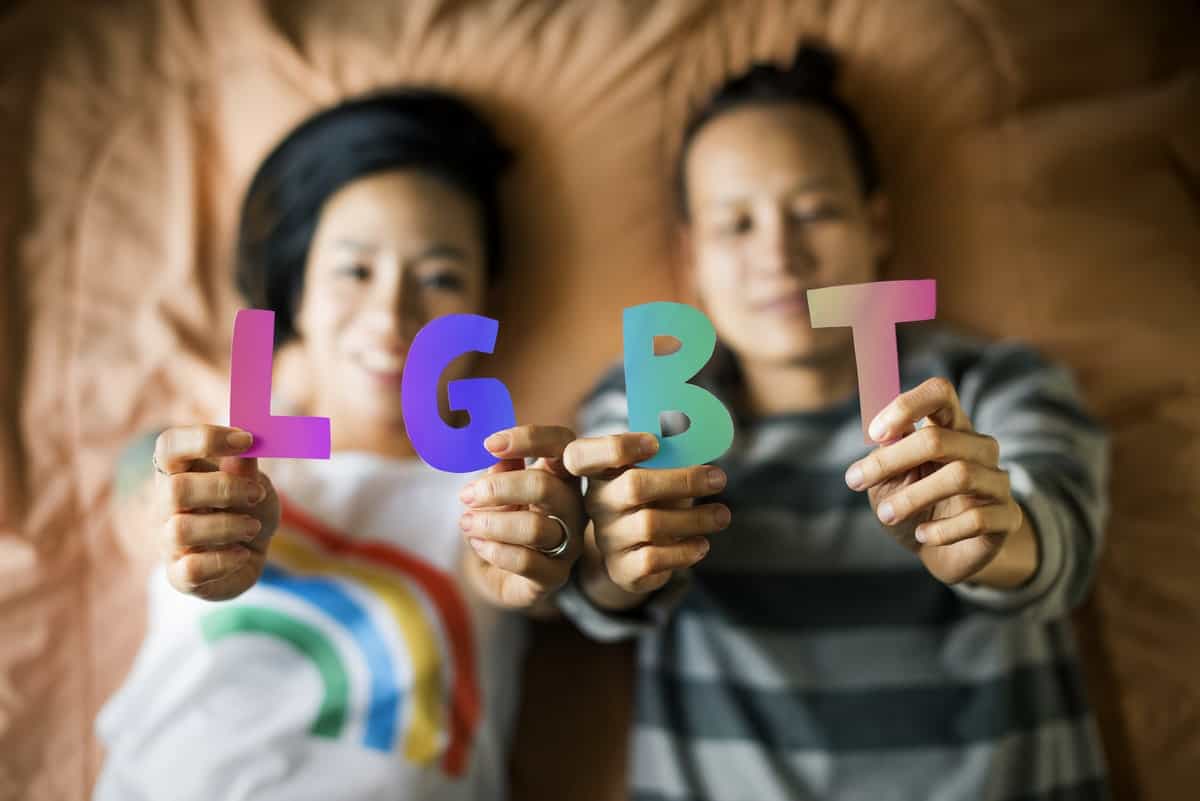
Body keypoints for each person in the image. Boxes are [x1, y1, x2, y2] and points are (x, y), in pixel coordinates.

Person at [554, 43, 1111, 800]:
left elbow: (1064, 535)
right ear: (691, 259)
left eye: (814, 210)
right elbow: (600, 568)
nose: (779, 254)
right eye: (736, 224)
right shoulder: (655, 402)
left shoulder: (991, 383)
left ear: (876, 224)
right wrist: (613, 551)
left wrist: (996, 531)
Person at [95, 89, 584, 801]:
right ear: (298, 290)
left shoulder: (500, 487)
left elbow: (550, 570)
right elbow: (140, 494)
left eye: (441, 278)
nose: (392, 316)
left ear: (488, 303)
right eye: (354, 270)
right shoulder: (218, 453)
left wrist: (557, 546)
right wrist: (173, 516)